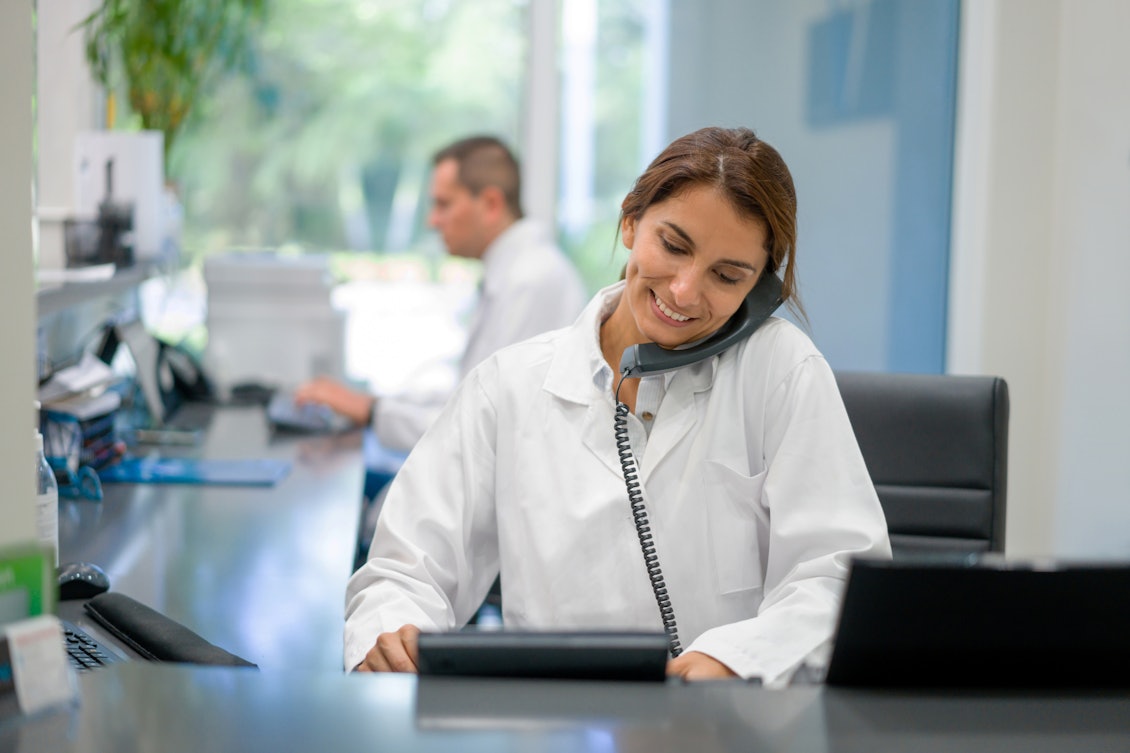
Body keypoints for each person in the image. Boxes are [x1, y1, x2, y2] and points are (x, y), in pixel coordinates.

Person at [343, 126, 891, 686]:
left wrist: (738, 657)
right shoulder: (509, 386)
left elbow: (836, 573)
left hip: (722, 729)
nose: (683, 291)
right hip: (552, 723)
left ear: (759, 290)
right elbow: (404, 569)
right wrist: (394, 631)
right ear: (630, 221)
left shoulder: (780, 369)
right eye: (673, 246)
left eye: (727, 276)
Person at [295, 135, 588, 452]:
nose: (432, 220)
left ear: (490, 204)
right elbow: (467, 397)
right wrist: (373, 404)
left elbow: (481, 429)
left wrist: (371, 412)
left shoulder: (530, 282)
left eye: (443, 204)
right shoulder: (515, 273)